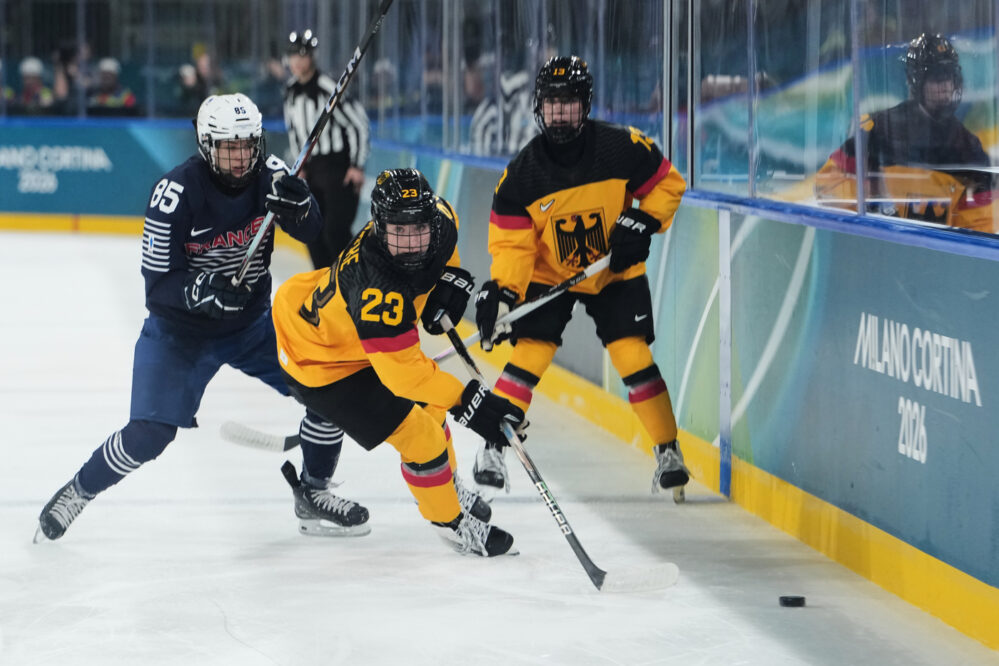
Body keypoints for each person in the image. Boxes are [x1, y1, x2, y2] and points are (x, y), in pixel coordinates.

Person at [36, 93, 369, 543]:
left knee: (330, 388)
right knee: (149, 434)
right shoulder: (174, 194)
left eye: (249, 145)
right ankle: (80, 489)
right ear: (205, 144)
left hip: (252, 328)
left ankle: (312, 492)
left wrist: (304, 207)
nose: (241, 156)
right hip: (179, 335)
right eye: (230, 147)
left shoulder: (271, 176)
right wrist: (198, 292)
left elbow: (314, 234)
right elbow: (157, 287)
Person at [271, 168, 526, 557]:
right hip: (318, 358)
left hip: (339, 330)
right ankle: (451, 524)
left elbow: (448, 232)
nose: (410, 243)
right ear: (377, 226)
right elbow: (404, 377)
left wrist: (452, 277)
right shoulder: (376, 288)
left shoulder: (439, 220)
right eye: (398, 232)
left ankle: (446, 484)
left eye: (418, 229)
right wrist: (470, 403)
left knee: (432, 410)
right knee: (420, 436)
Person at [471, 55, 690, 501]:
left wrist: (643, 222)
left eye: (568, 102)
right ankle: (492, 447)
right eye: (552, 103)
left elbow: (669, 184)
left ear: (585, 105)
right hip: (551, 274)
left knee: (632, 355)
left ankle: (668, 451)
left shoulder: (620, 147)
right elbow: (512, 246)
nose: (560, 112)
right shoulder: (522, 176)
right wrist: (505, 293)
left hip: (613, 270)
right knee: (529, 355)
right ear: (539, 107)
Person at [815, 33, 995, 233]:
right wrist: (866, 197)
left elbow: (981, 227)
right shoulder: (877, 130)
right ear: (916, 81)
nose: (946, 86)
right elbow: (825, 188)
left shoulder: (969, 149)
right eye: (936, 77)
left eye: (950, 76)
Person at [283, 29, 370, 269]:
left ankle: (357, 282)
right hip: (311, 173)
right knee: (313, 234)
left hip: (338, 169)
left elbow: (359, 123)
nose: (298, 61)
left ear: (313, 57)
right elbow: (294, 132)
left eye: (303, 55)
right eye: (293, 55)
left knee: (335, 233)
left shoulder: (328, 87)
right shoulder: (290, 92)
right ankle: (324, 289)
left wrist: (357, 165)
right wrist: (299, 168)